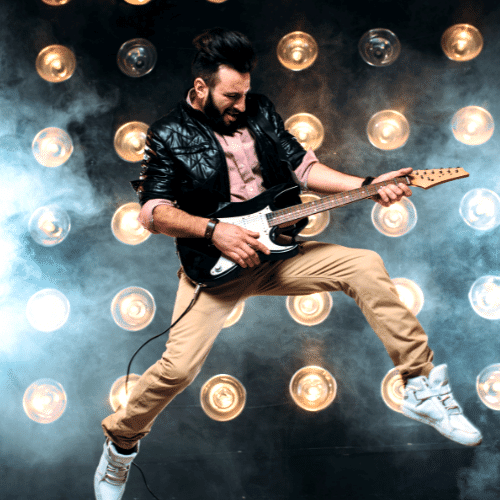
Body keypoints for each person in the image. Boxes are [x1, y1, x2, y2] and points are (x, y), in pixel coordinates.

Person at [94, 27, 482, 500]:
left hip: (275, 255)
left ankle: (419, 386)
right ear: (200, 87)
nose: (242, 104)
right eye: (230, 96)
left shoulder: (259, 110)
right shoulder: (168, 133)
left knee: (363, 263)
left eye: (245, 92)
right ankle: (121, 444)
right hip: (215, 271)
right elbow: (154, 212)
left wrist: (368, 184)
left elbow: (304, 169)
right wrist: (215, 231)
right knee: (176, 372)